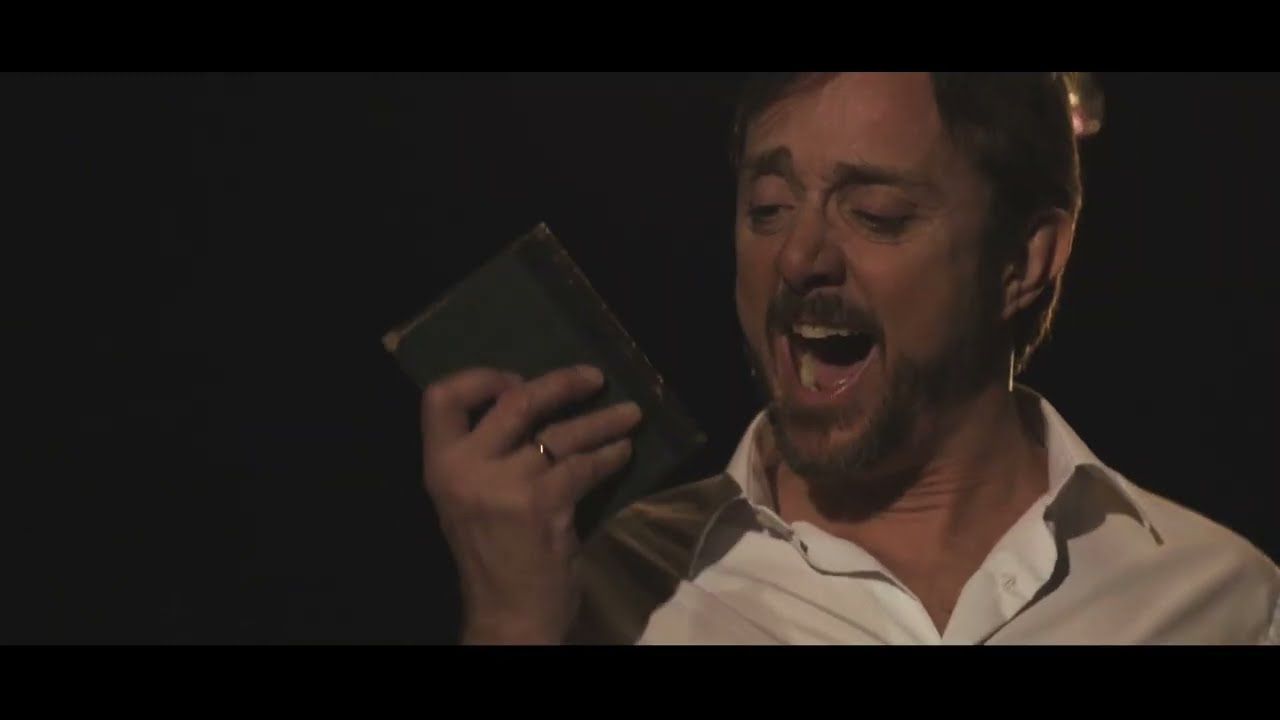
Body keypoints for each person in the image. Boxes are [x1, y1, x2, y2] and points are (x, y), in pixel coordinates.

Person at [419, 72, 1280, 645]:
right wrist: (511, 624)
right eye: (768, 207)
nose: (798, 258)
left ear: (1025, 262)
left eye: (875, 214)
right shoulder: (618, 587)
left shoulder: (1221, 601)